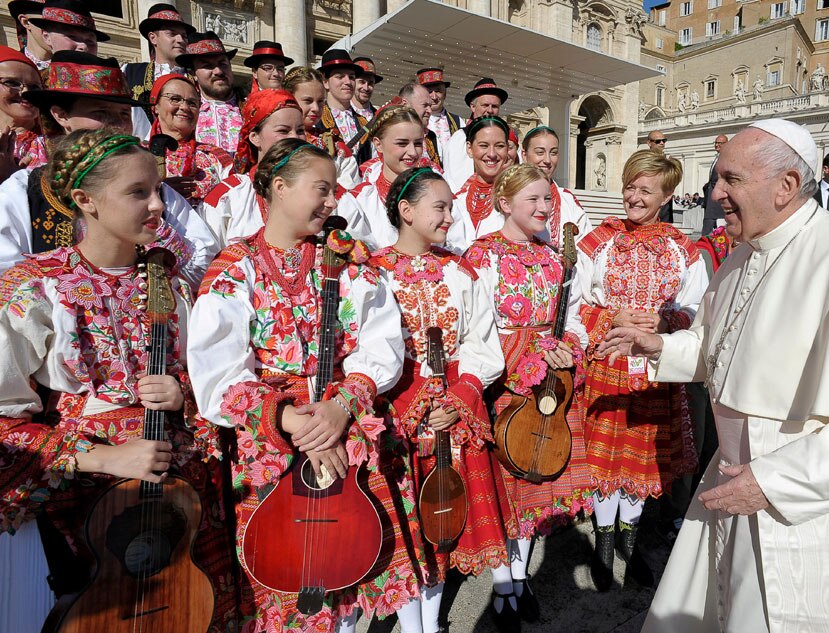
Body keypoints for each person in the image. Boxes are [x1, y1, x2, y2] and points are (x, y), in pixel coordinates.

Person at [596, 118, 829, 633]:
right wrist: (662, 347)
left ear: (785, 187)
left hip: (820, 507)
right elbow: (720, 347)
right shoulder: (740, 257)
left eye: (730, 179)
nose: (715, 193)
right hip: (735, 480)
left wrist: (775, 481)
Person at [0, 128, 239, 632]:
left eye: (158, 190)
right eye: (138, 192)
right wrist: (103, 456)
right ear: (85, 200)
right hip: (88, 499)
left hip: (183, 491)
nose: (158, 206)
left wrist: (184, 395)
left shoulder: (171, 283)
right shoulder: (36, 287)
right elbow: (4, 419)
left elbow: (214, 376)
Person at [189, 138, 421, 632]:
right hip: (271, 443)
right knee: (285, 582)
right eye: (322, 188)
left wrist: (341, 408)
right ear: (278, 187)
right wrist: (291, 420)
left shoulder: (349, 262)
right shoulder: (235, 268)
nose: (334, 201)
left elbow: (381, 346)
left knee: (348, 567)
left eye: (335, 189)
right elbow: (217, 375)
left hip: (344, 427)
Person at [370, 166, 513, 633]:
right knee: (409, 526)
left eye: (452, 206)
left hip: (454, 404)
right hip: (396, 409)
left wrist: (462, 394)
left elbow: (481, 339)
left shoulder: (459, 269)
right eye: (440, 206)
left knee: (443, 520)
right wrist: (411, 405)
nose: (450, 216)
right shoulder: (372, 272)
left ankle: (431, 624)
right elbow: (368, 351)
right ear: (406, 211)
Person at [464, 163, 595, 623]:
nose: (543, 208)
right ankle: (502, 587)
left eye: (548, 200)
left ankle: (519, 580)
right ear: (505, 204)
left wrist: (569, 348)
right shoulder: (481, 256)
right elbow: (475, 326)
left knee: (536, 485)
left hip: (548, 385)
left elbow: (574, 315)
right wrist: (524, 353)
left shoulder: (556, 256)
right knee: (505, 488)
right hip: (504, 382)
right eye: (533, 200)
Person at [576, 149, 707, 592]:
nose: (634, 196)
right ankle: (602, 546)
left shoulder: (682, 248)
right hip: (607, 363)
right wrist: (612, 318)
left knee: (641, 463)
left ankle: (629, 550)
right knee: (603, 462)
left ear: (667, 194)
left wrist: (668, 321)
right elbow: (575, 303)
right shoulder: (599, 240)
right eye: (630, 186)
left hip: (653, 368)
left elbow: (696, 306)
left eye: (645, 190)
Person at [0, 51, 218, 292]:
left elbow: (203, 263)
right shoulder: (25, 191)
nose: (116, 126)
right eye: (100, 113)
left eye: (123, 115)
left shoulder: (156, 193)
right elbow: (7, 278)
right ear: (61, 115)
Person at [199, 88, 305, 247]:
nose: (295, 138)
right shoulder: (228, 196)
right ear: (255, 137)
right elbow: (206, 260)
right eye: (283, 130)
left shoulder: (317, 192)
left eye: (300, 131)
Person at [336, 103, 426, 250]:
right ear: (378, 145)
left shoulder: (435, 192)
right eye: (402, 143)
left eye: (418, 143)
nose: (413, 152)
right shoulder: (361, 200)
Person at [148, 73, 233, 206]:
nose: (184, 107)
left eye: (192, 103)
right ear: (156, 106)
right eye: (175, 99)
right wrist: (161, 192)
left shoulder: (216, 156)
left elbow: (236, 200)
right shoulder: (137, 153)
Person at [123, 3, 195, 139]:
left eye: (184, 36)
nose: (180, 40)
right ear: (153, 38)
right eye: (172, 34)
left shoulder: (195, 77)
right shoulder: (130, 72)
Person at [283, 66, 360, 189]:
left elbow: (351, 189)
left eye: (320, 101)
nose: (316, 108)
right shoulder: (273, 139)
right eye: (308, 101)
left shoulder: (335, 147)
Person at [445, 115, 510, 253]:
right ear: (469, 148)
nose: (492, 154)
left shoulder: (518, 199)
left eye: (499, 146)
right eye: (483, 146)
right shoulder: (456, 201)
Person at [520, 125, 593, 244]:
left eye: (553, 153)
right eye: (540, 152)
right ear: (524, 155)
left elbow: (586, 247)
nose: (547, 160)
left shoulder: (567, 200)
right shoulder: (510, 196)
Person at [176, 31, 242, 155]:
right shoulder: (184, 112)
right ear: (193, 73)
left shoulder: (250, 108)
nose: (218, 71)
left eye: (223, 64)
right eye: (208, 66)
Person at [443, 78, 508, 190]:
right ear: (473, 107)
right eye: (485, 105)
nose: (490, 110)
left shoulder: (506, 135)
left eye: (495, 106)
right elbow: (455, 179)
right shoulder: (460, 137)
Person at [315, 49, 371, 164]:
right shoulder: (317, 119)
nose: (348, 82)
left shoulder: (363, 122)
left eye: (351, 77)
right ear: (325, 82)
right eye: (340, 76)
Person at [0, 45, 41, 183]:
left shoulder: (58, 142)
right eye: (12, 83)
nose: (25, 92)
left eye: (35, 87)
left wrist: (14, 182)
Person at [29, 0, 107, 56]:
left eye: (90, 41)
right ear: (47, 37)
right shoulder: (32, 77)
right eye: (72, 36)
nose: (83, 46)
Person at [418, 67, 463, 160]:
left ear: (445, 94)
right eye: (429, 92)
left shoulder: (458, 121)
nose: (434, 97)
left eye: (438, 91)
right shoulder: (414, 120)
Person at [399, 82, 442, 168]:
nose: (430, 111)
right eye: (425, 105)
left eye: (430, 106)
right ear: (405, 104)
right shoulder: (391, 133)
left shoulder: (431, 136)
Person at [8, 0, 51, 70]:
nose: (57, 30)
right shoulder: (8, 67)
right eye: (48, 22)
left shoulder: (72, 65)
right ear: (26, 22)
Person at [701, 135, 727, 235]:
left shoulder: (726, 158)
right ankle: (706, 239)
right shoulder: (717, 157)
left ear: (726, 144)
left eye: (720, 143)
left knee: (711, 218)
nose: (717, 145)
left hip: (717, 192)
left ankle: (706, 239)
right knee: (709, 217)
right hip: (710, 192)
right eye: (715, 143)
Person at [645, 131, 674, 223]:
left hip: (665, 201)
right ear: (649, 143)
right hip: (650, 199)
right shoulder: (644, 159)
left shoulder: (668, 159)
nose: (662, 143)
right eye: (658, 141)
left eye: (664, 140)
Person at [353, 56, 383, 121]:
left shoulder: (379, 117)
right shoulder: (342, 113)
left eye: (370, 83)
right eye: (362, 82)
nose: (366, 88)